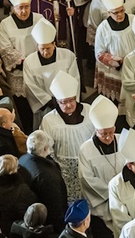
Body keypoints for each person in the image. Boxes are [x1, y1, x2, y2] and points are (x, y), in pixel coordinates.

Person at [40, 71, 93, 202]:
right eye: (64, 102)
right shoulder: (49, 120)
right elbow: (47, 149)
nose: (69, 105)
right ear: (57, 102)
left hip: (89, 167)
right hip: (65, 171)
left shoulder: (88, 111)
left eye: (71, 100)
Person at [78, 96, 124, 238]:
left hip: (123, 200)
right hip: (101, 203)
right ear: (96, 131)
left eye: (111, 132)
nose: (109, 137)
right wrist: (113, 192)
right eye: (104, 134)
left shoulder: (122, 140)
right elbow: (87, 179)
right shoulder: (86, 149)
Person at [22, 18, 79, 130]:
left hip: (66, 104)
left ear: (54, 44)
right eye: (42, 48)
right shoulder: (30, 61)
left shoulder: (68, 56)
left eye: (48, 48)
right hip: (45, 107)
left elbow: (74, 79)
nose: (45, 52)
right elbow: (30, 86)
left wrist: (65, 100)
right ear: (37, 46)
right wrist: (49, 100)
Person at [18, 130, 68, 233]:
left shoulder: (22, 160)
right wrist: (61, 229)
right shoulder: (47, 176)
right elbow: (55, 207)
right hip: (45, 223)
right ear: (45, 148)